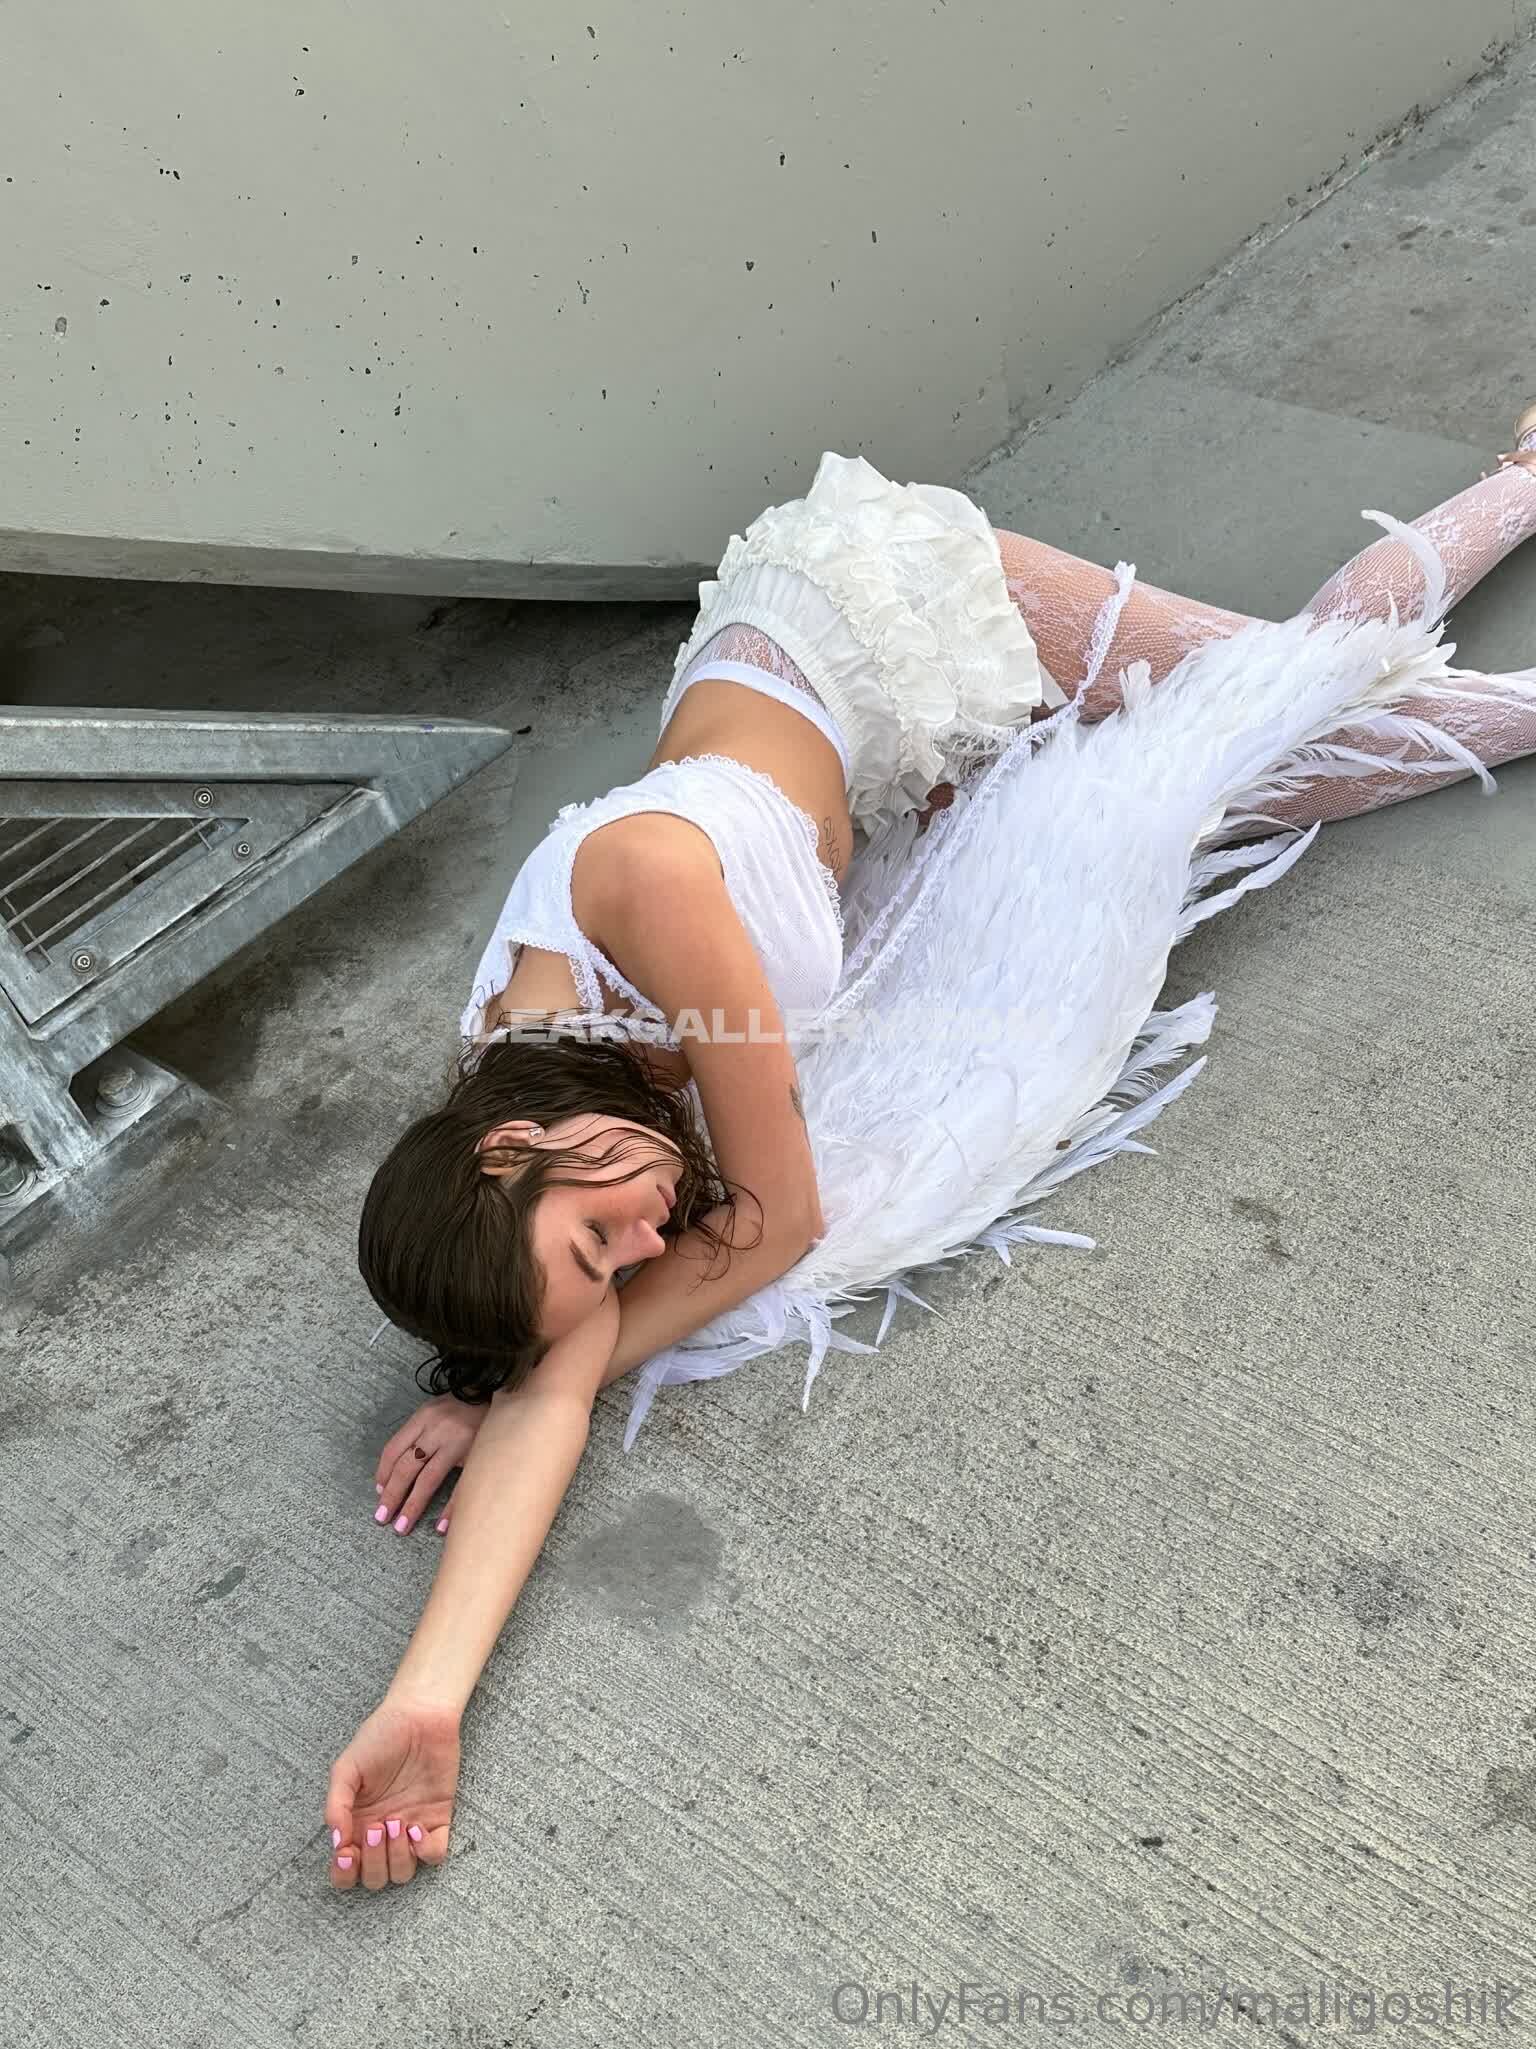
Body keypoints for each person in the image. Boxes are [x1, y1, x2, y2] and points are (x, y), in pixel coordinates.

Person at [328, 421, 1536, 1890]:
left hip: (876, 607)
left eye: (601, 1240)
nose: (650, 1242)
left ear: (509, 1145)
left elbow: (775, 1223)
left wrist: (544, 1372)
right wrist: (427, 1693)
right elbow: (574, 1356)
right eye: (612, 1266)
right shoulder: (536, 1116)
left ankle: (1527, 476)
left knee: (1303, 703)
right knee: (1271, 746)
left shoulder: (644, 893)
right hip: (865, 763)